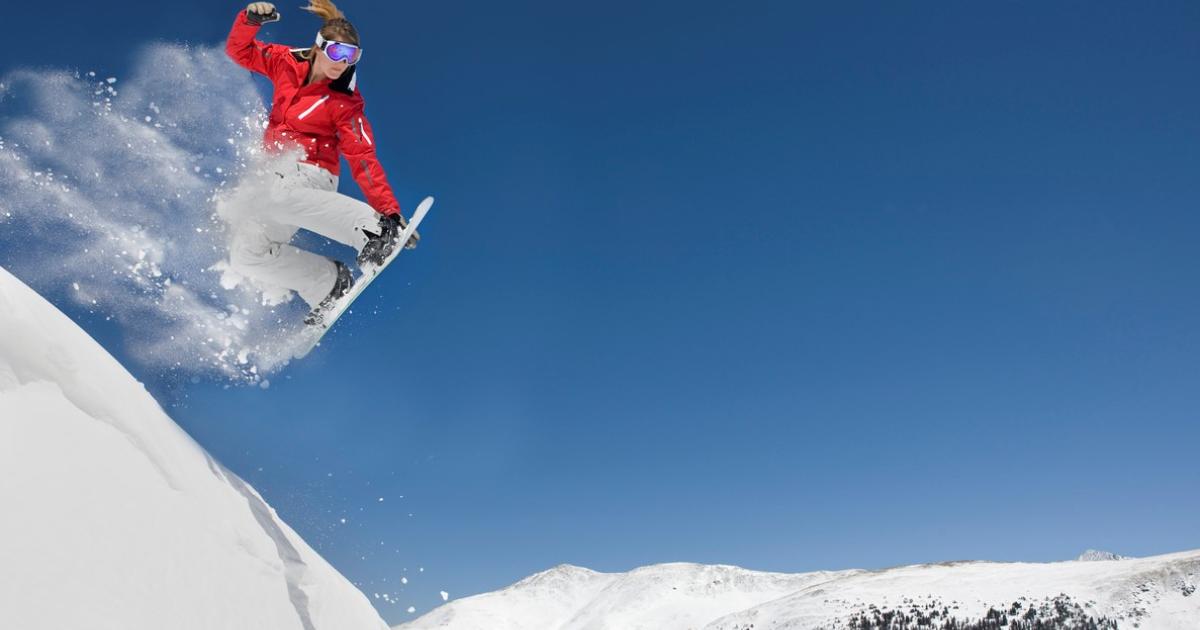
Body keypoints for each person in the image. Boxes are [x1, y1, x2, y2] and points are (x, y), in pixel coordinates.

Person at [223, 0, 416, 325]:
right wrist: (249, 19)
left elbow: (362, 156)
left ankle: (374, 231)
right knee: (245, 255)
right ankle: (326, 283)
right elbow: (240, 52)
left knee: (277, 195)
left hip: (312, 175)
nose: (343, 63)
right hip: (275, 180)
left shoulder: (345, 102)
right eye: (338, 52)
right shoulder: (285, 62)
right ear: (319, 46)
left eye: (352, 56)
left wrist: (390, 213)